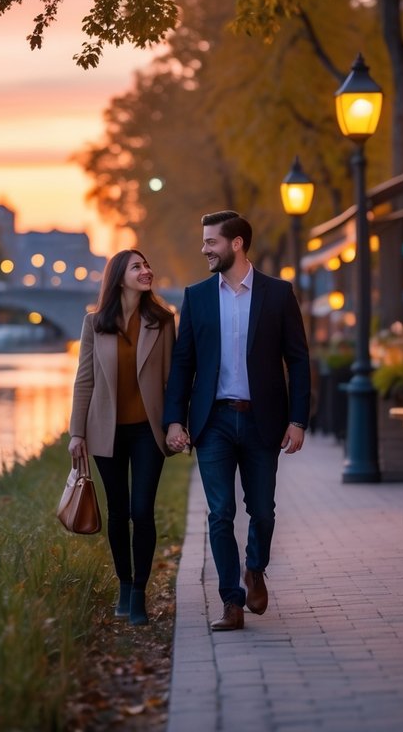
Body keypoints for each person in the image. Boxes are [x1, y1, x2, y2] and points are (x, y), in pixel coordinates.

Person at [164, 210, 310, 631]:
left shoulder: (278, 294)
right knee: (220, 513)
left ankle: (255, 568)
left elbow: (298, 362)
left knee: (262, 510)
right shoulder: (197, 296)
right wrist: (175, 420)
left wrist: (297, 420)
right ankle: (231, 601)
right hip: (213, 423)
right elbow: (182, 364)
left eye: (211, 241)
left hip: (264, 421)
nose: (204, 248)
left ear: (237, 244)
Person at [69, 249, 177, 625]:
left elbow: (172, 378)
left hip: (149, 429)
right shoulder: (95, 323)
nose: (146, 270)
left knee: (142, 511)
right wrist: (76, 432)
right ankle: (124, 584)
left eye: (147, 265)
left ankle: (140, 594)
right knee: (117, 512)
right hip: (106, 431)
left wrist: (178, 422)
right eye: (137, 267)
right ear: (118, 277)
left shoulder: (163, 321)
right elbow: (85, 379)